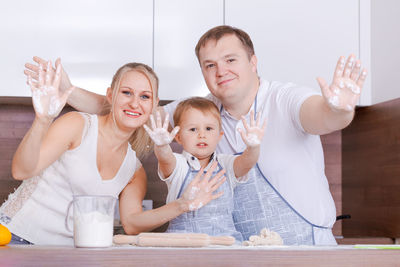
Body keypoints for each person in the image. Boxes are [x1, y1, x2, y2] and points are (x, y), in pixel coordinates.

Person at [23, 25, 367, 245]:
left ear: (253, 61)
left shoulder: (286, 99)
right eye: (210, 65)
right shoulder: (200, 112)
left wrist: (340, 107)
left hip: (304, 246)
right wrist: (68, 92)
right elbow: (131, 108)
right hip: (244, 247)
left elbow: (323, 116)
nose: (221, 71)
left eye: (230, 59)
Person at [0, 61, 225, 245]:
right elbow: (22, 170)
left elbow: (132, 223)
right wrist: (43, 120)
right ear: (110, 95)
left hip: (69, 252)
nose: (135, 103)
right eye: (126, 93)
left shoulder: (133, 170)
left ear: (154, 105)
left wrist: (183, 204)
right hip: (15, 237)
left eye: (145, 97)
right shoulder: (78, 125)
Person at [143, 97, 266, 241]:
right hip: (182, 245)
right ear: (179, 137)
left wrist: (253, 147)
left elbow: (246, 163)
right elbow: (165, 159)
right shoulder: (179, 164)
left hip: (224, 244)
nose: (202, 134)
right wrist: (162, 146)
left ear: (219, 135)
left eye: (209, 128)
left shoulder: (225, 164)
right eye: (193, 129)